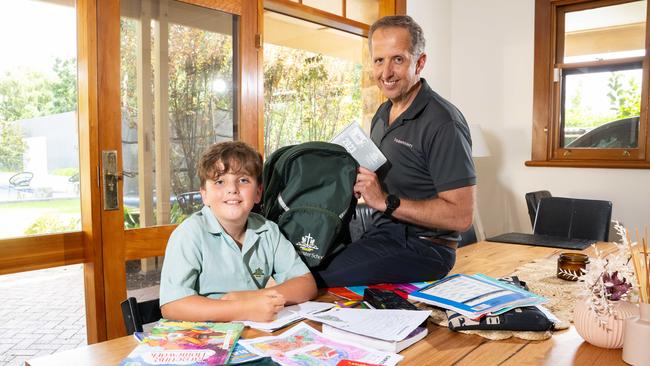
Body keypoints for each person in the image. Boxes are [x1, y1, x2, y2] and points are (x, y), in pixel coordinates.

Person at [314, 15, 476, 287]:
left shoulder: (444, 122)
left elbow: (461, 216)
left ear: (420, 62)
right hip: (382, 233)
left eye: (397, 59)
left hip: (426, 248)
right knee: (307, 256)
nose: (386, 73)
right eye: (379, 60)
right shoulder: (382, 113)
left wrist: (385, 201)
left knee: (314, 277)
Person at [160, 141, 317, 322]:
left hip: (253, 333)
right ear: (205, 195)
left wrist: (253, 298)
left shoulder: (267, 230)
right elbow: (172, 306)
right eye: (219, 182)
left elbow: (306, 284)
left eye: (243, 180)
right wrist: (243, 308)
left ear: (258, 193)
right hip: (206, 338)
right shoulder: (189, 234)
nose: (232, 189)